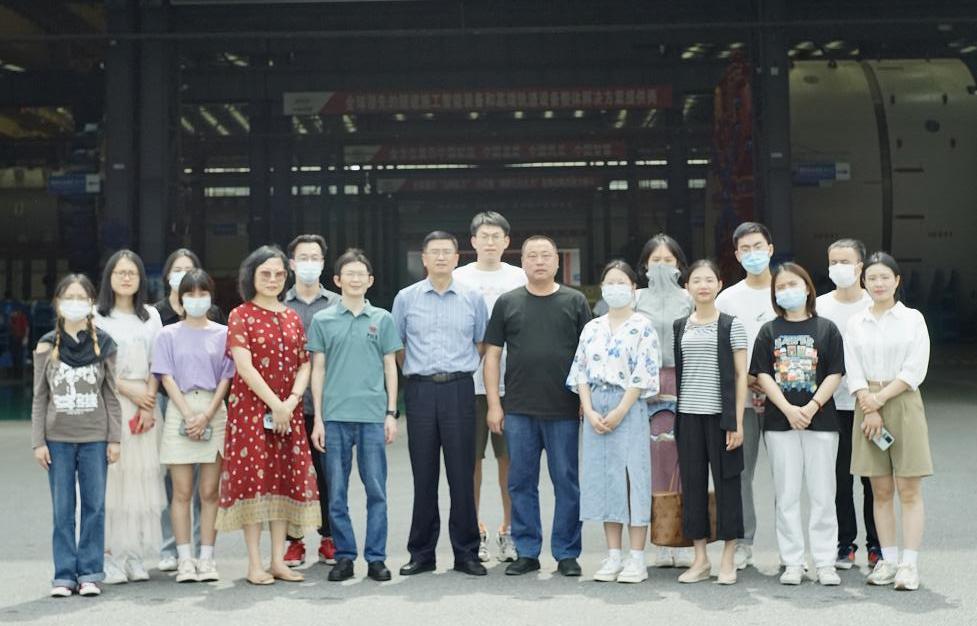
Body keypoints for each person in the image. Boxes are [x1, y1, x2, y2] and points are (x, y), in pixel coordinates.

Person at [484, 235, 592, 577]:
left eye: (546, 255)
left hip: (564, 409)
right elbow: (492, 356)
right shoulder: (508, 302)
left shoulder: (574, 301)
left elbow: (589, 355)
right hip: (518, 408)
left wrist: (586, 401)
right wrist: (494, 404)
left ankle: (567, 553)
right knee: (520, 482)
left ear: (557, 262)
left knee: (566, 482)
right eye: (532, 256)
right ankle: (527, 551)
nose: (540, 261)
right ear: (523, 262)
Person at [216, 245, 321, 585]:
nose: (273, 279)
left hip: (288, 413)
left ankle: (278, 561)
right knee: (254, 484)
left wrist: (291, 401)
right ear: (252, 276)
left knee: (283, 482)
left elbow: (304, 363)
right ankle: (254, 564)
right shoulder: (240, 315)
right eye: (265, 274)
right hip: (251, 413)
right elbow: (243, 366)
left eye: (278, 274)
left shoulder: (291, 316)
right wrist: (275, 404)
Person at [392, 231, 489, 578]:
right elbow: (398, 345)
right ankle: (421, 553)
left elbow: (481, 343)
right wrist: (418, 373)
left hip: (459, 390)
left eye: (447, 252)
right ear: (424, 258)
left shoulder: (472, 298)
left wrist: (457, 370)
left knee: (462, 474)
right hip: (420, 391)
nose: (441, 257)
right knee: (424, 474)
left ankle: (467, 553)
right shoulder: (406, 298)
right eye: (434, 252)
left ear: (457, 258)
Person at [308, 249, 402, 582]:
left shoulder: (382, 318)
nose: (356, 279)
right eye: (349, 273)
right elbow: (318, 369)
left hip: (373, 416)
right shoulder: (322, 320)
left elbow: (390, 367)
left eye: (361, 274)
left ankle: (376, 558)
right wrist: (318, 419)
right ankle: (344, 557)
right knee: (336, 492)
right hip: (335, 416)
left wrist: (391, 413)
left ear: (370, 280)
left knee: (376, 490)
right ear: (337, 280)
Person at [751, 262, 845, 586]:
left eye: (793, 284)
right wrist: (789, 409)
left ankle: (825, 561)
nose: (787, 290)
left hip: (822, 422)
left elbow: (835, 372)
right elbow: (762, 374)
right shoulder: (769, 331)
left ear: (807, 288)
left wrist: (812, 406)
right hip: (780, 423)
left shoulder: (827, 328)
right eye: (780, 287)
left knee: (823, 494)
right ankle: (792, 561)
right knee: (786, 495)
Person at [567, 260, 660, 583]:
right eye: (610, 283)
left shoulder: (643, 326)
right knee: (606, 480)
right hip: (596, 405)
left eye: (622, 282)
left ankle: (637, 557)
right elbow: (580, 371)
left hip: (629, 405)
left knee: (633, 477)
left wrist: (620, 410)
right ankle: (613, 555)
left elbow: (644, 372)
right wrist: (588, 409)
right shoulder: (592, 327)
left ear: (634, 288)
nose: (615, 288)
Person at [844, 252, 932, 591]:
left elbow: (914, 369)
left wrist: (879, 400)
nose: (878, 283)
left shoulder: (912, 319)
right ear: (864, 282)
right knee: (880, 490)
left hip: (902, 401)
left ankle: (909, 564)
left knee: (909, 488)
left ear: (897, 281)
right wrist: (869, 405)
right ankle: (889, 560)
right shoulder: (856, 322)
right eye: (872, 278)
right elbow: (853, 369)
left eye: (885, 277)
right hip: (866, 405)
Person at [32, 274, 121, 598]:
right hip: (57, 439)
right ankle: (64, 575)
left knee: (95, 507)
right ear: (57, 303)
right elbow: (40, 396)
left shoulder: (105, 344)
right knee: (63, 510)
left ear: (91, 303)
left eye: (81, 298)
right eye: (68, 297)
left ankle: (90, 573)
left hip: (95, 437)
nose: (74, 303)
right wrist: (38, 442)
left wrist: (115, 439)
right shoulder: (45, 345)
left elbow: (111, 395)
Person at [152, 269, 235, 583]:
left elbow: (227, 376)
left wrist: (208, 414)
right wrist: (188, 414)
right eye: (190, 294)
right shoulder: (168, 334)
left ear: (211, 297)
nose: (197, 299)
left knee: (210, 492)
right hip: (180, 409)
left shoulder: (223, 333)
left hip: (214, 409)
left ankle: (207, 558)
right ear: (181, 297)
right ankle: (184, 559)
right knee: (182, 492)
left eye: (203, 293)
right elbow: (165, 376)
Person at [452, 211, 526, 563]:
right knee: (471, 461)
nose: (491, 242)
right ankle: (475, 530)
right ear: (473, 241)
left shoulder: (520, 277)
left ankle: (509, 530)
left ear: (507, 241)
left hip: (513, 384)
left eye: (497, 236)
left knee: (509, 460)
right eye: (484, 236)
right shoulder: (458, 277)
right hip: (468, 384)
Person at [94, 250, 167, 584]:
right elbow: (95, 365)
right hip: (110, 403)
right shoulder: (98, 316)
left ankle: (135, 555)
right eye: (120, 272)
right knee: (113, 481)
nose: (126, 278)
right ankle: (110, 556)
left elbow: (158, 361)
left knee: (142, 480)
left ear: (140, 279)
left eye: (132, 273)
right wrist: (128, 390)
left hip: (145, 407)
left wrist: (148, 403)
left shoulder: (151, 316)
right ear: (109, 277)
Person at [673, 259, 746, 585]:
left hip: (721, 418)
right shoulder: (680, 326)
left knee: (728, 485)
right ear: (687, 287)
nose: (702, 286)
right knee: (693, 487)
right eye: (696, 280)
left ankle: (728, 558)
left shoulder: (731, 325)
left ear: (719, 284)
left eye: (709, 280)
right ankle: (700, 558)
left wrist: (737, 422)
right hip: (688, 417)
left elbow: (741, 375)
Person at [715, 221, 777, 569]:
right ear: (737, 255)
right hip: (743, 399)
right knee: (739, 474)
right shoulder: (728, 299)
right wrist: (746, 380)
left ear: (770, 249)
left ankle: (792, 547)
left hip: (785, 400)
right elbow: (721, 349)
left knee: (787, 475)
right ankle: (742, 542)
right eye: (745, 249)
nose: (753, 254)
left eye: (758, 247)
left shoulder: (787, 288)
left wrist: (771, 382)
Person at [815, 239, 880, 569]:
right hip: (830, 405)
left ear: (860, 267)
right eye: (833, 261)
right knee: (839, 479)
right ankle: (845, 543)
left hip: (869, 405)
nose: (838, 267)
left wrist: (875, 401)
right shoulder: (819, 306)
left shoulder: (874, 303)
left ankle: (877, 544)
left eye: (845, 261)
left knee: (873, 478)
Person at [634, 234, 695, 569]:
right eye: (655, 261)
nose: (661, 267)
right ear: (645, 265)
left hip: (683, 380)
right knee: (653, 462)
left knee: (684, 459)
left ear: (679, 266)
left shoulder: (689, 297)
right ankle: (660, 538)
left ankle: (682, 539)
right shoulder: (634, 298)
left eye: (668, 261)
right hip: (645, 384)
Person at [282, 234, 340, 567]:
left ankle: (329, 537)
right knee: (290, 475)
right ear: (291, 263)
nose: (308, 263)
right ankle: (294, 540)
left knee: (328, 475)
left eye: (314, 257)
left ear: (322, 263)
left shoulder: (337, 304)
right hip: (287, 405)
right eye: (302, 257)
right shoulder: (279, 303)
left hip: (327, 405)